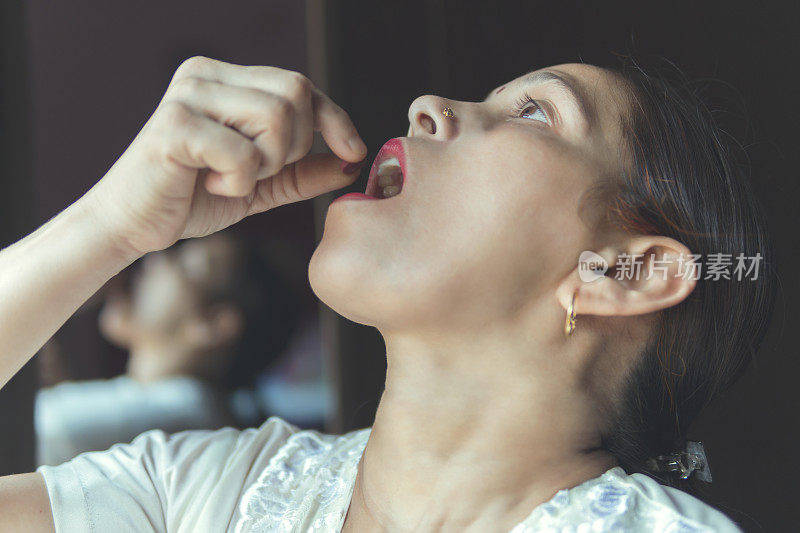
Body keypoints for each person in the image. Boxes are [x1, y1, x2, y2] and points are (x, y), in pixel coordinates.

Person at [0, 56, 775, 532]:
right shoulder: (199, 493)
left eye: (534, 111)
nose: (430, 108)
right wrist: (111, 225)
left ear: (624, 272)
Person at [34, 232, 299, 466]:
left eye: (184, 264)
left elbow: (38, 428)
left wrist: (54, 289)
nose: (154, 260)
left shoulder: (190, 412)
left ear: (211, 324)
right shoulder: (188, 409)